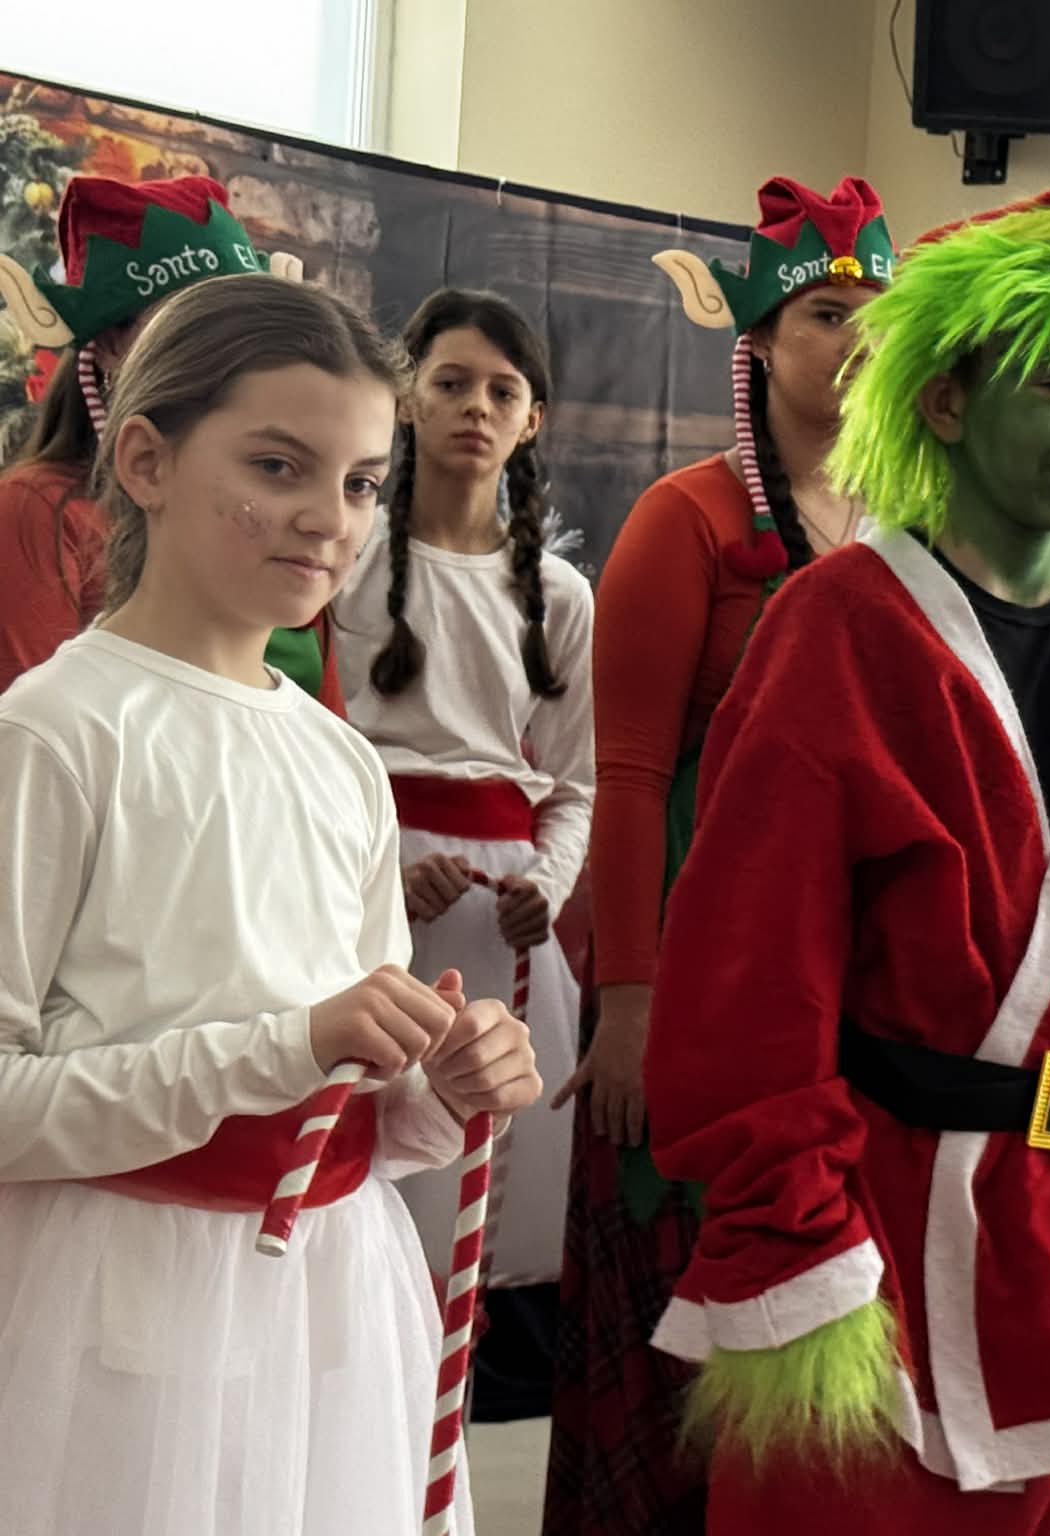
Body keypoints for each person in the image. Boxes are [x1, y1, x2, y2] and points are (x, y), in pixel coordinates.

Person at [642, 190, 1050, 1535]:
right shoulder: (833, 626)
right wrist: (798, 1235)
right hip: (879, 1231)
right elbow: (747, 971)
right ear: (945, 402)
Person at [0, 272, 542, 1536]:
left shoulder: (340, 760)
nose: (328, 519)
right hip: (118, 1306)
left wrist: (436, 1090)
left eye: (359, 483)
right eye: (277, 467)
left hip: (333, 1310)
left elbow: (359, 1117)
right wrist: (281, 1049)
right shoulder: (56, 735)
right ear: (146, 460)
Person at [544, 175, 892, 1536]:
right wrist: (629, 1002)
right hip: (696, 952)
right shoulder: (685, 517)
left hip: (851, 969)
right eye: (824, 315)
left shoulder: (910, 519)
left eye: (876, 313)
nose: (856, 340)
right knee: (678, 1299)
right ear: (757, 341)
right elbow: (628, 774)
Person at [329, 290, 592, 1388]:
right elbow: (310, 750)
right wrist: (389, 867)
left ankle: (452, 1417)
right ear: (406, 400)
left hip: (502, 923)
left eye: (502, 390)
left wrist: (549, 884)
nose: (475, 408)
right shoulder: (343, 563)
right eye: (450, 383)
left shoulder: (560, 597)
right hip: (366, 906)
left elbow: (575, 784)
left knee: (488, 1183)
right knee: (373, 1163)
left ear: (532, 420)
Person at [0, 173, 342, 703]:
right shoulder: (38, 509)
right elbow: (33, 725)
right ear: (111, 344)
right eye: (188, 332)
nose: (228, 355)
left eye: (243, 329)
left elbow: (328, 731)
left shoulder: (281, 512)